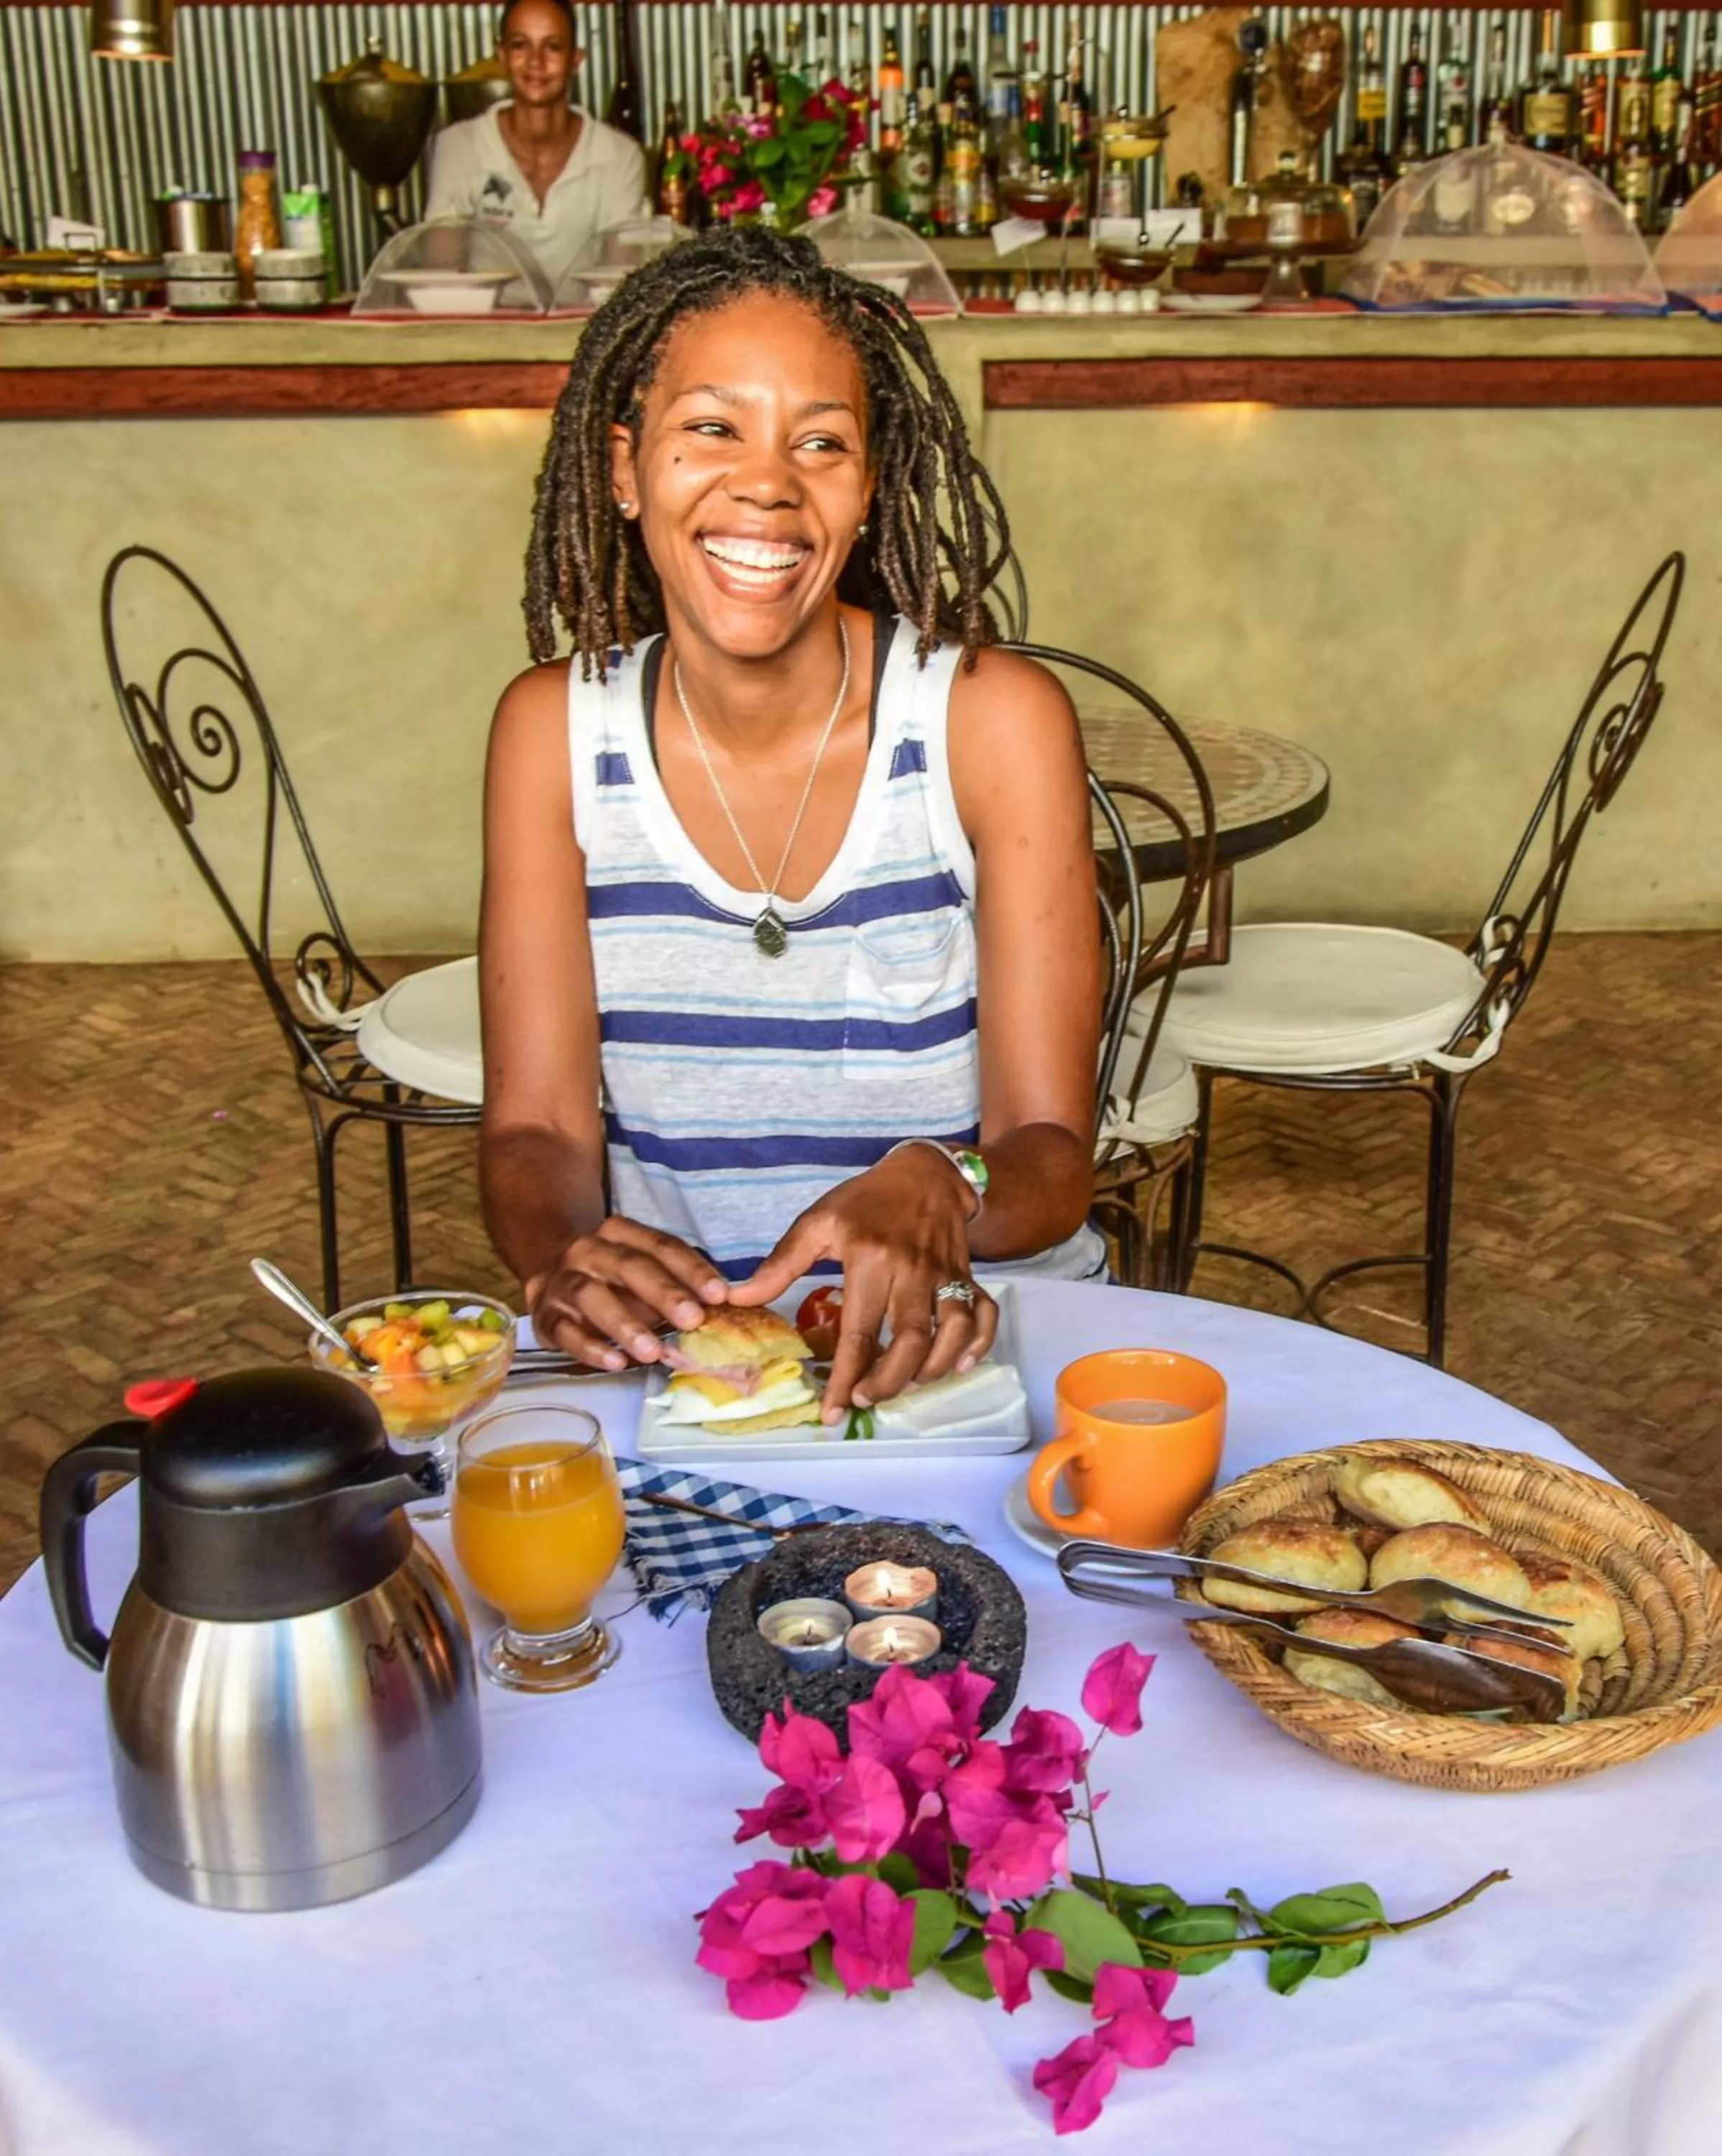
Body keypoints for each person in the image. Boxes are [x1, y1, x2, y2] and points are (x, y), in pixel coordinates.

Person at [479, 225, 1102, 1424]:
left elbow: (1049, 1151)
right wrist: (563, 1255)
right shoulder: (551, 733)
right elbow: (536, 1125)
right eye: (710, 429)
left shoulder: (990, 720)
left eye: (820, 443)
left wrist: (945, 1179)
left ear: (866, 491)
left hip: (969, 1360)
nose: (766, 482)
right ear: (625, 469)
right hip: (697, 1369)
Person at [424, 0, 646, 294]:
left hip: (582, 335)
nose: (536, 62)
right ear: (501, 55)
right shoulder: (459, 147)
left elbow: (621, 286)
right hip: (481, 336)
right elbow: (442, 275)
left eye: (552, 47)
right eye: (520, 45)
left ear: (575, 60)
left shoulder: (620, 156)